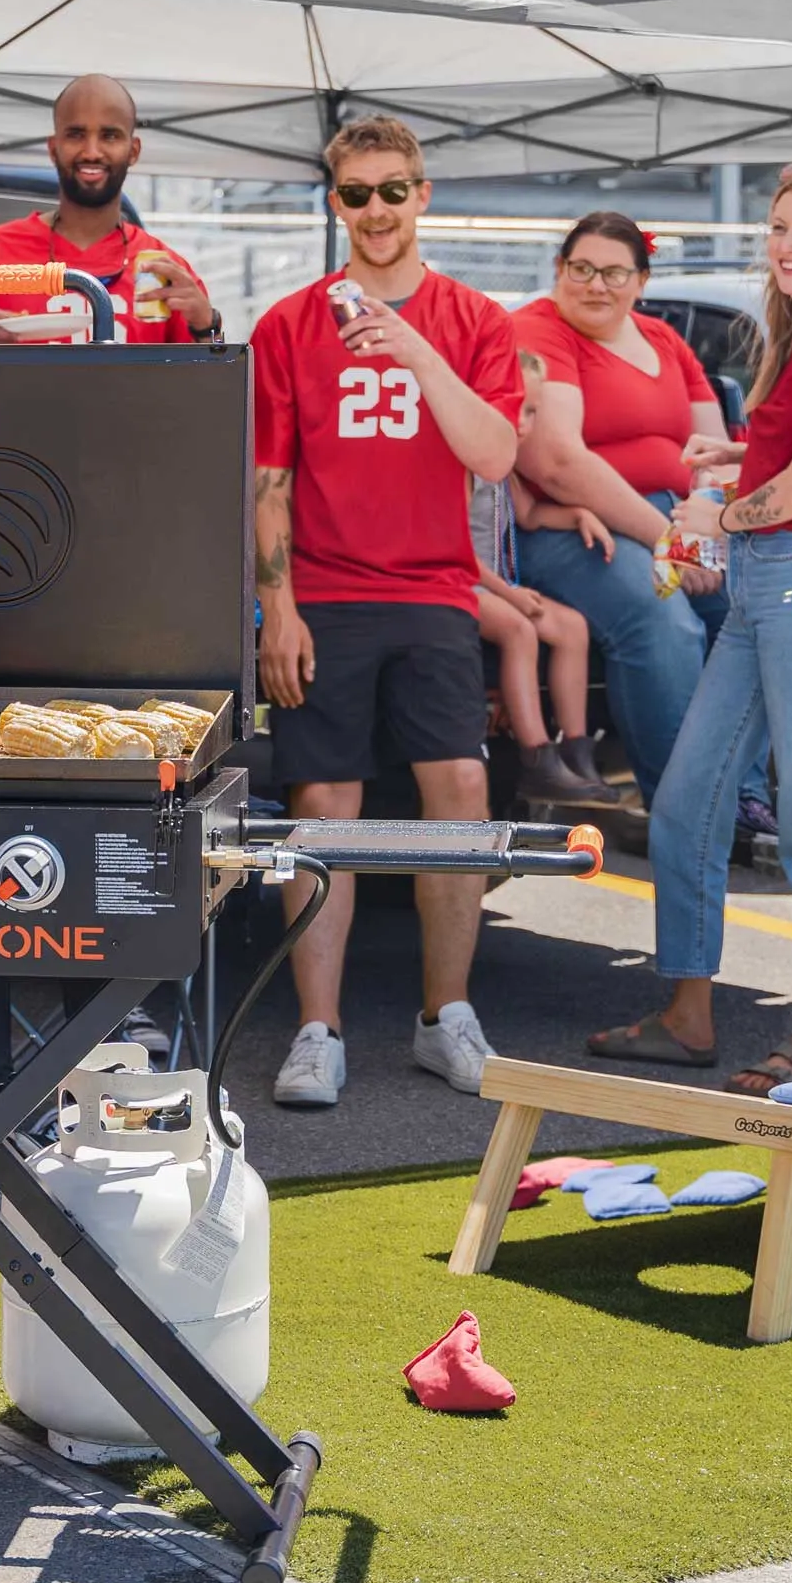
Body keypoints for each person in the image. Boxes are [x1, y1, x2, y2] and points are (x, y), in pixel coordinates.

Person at [592, 162, 792, 1096]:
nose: (788, 243)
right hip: (772, 586)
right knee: (687, 803)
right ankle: (688, 1018)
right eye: (779, 226)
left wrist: (713, 519)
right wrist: (738, 452)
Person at [254, 115, 526, 1106]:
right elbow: (269, 478)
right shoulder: (289, 322)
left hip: (430, 589)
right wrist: (274, 607)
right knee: (323, 804)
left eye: (393, 189)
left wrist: (413, 347)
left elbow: (493, 454)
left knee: (459, 787)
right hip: (323, 590)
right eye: (356, 193)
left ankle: (441, 1014)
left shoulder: (471, 319)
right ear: (336, 202)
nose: (376, 209)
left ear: (422, 194)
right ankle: (316, 1028)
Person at [512, 212, 770, 827]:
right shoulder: (538, 332)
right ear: (559, 270)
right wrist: (670, 539)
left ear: (641, 280)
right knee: (663, 621)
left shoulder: (663, 340)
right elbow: (558, 463)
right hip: (575, 524)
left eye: (614, 272)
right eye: (582, 269)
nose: (595, 285)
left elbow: (712, 453)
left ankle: (746, 794)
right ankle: (688, 808)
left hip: (678, 519)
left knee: (755, 609)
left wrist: (704, 524)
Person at [0, 74, 221, 345]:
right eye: (76, 134)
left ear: (133, 151)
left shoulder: (164, 269)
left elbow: (209, 392)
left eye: (110, 135)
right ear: (54, 148)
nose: (91, 151)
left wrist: (206, 326)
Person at [471, 352, 619, 805]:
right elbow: (451, 546)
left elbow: (530, 514)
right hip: (457, 580)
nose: (523, 420)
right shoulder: (467, 461)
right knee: (519, 631)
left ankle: (576, 753)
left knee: (572, 627)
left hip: (495, 587)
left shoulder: (504, 463)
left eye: (531, 410)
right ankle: (536, 755)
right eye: (514, 405)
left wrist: (575, 514)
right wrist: (511, 595)